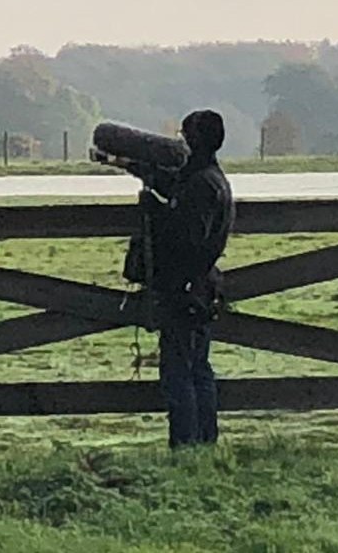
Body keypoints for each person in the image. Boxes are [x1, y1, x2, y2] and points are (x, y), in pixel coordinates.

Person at [123, 110, 234, 448]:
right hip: (200, 288)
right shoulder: (211, 178)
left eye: (185, 136)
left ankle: (186, 445)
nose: (181, 142)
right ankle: (205, 443)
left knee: (180, 373)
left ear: (196, 141)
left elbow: (186, 236)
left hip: (185, 290)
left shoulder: (202, 185)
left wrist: (154, 211)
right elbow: (175, 187)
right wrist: (136, 168)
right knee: (198, 368)